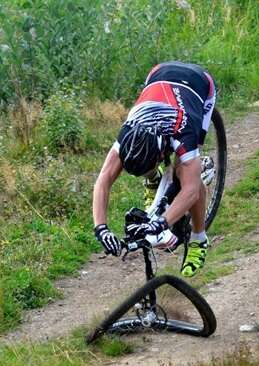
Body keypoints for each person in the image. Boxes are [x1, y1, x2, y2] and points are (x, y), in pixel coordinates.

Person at [92, 61, 216, 277]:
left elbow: (191, 190)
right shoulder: (129, 133)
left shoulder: (183, 133)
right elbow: (103, 179)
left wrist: (161, 223)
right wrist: (101, 228)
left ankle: (199, 239)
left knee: (187, 174)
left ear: (160, 155)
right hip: (158, 75)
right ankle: (153, 179)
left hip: (198, 84)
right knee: (141, 159)